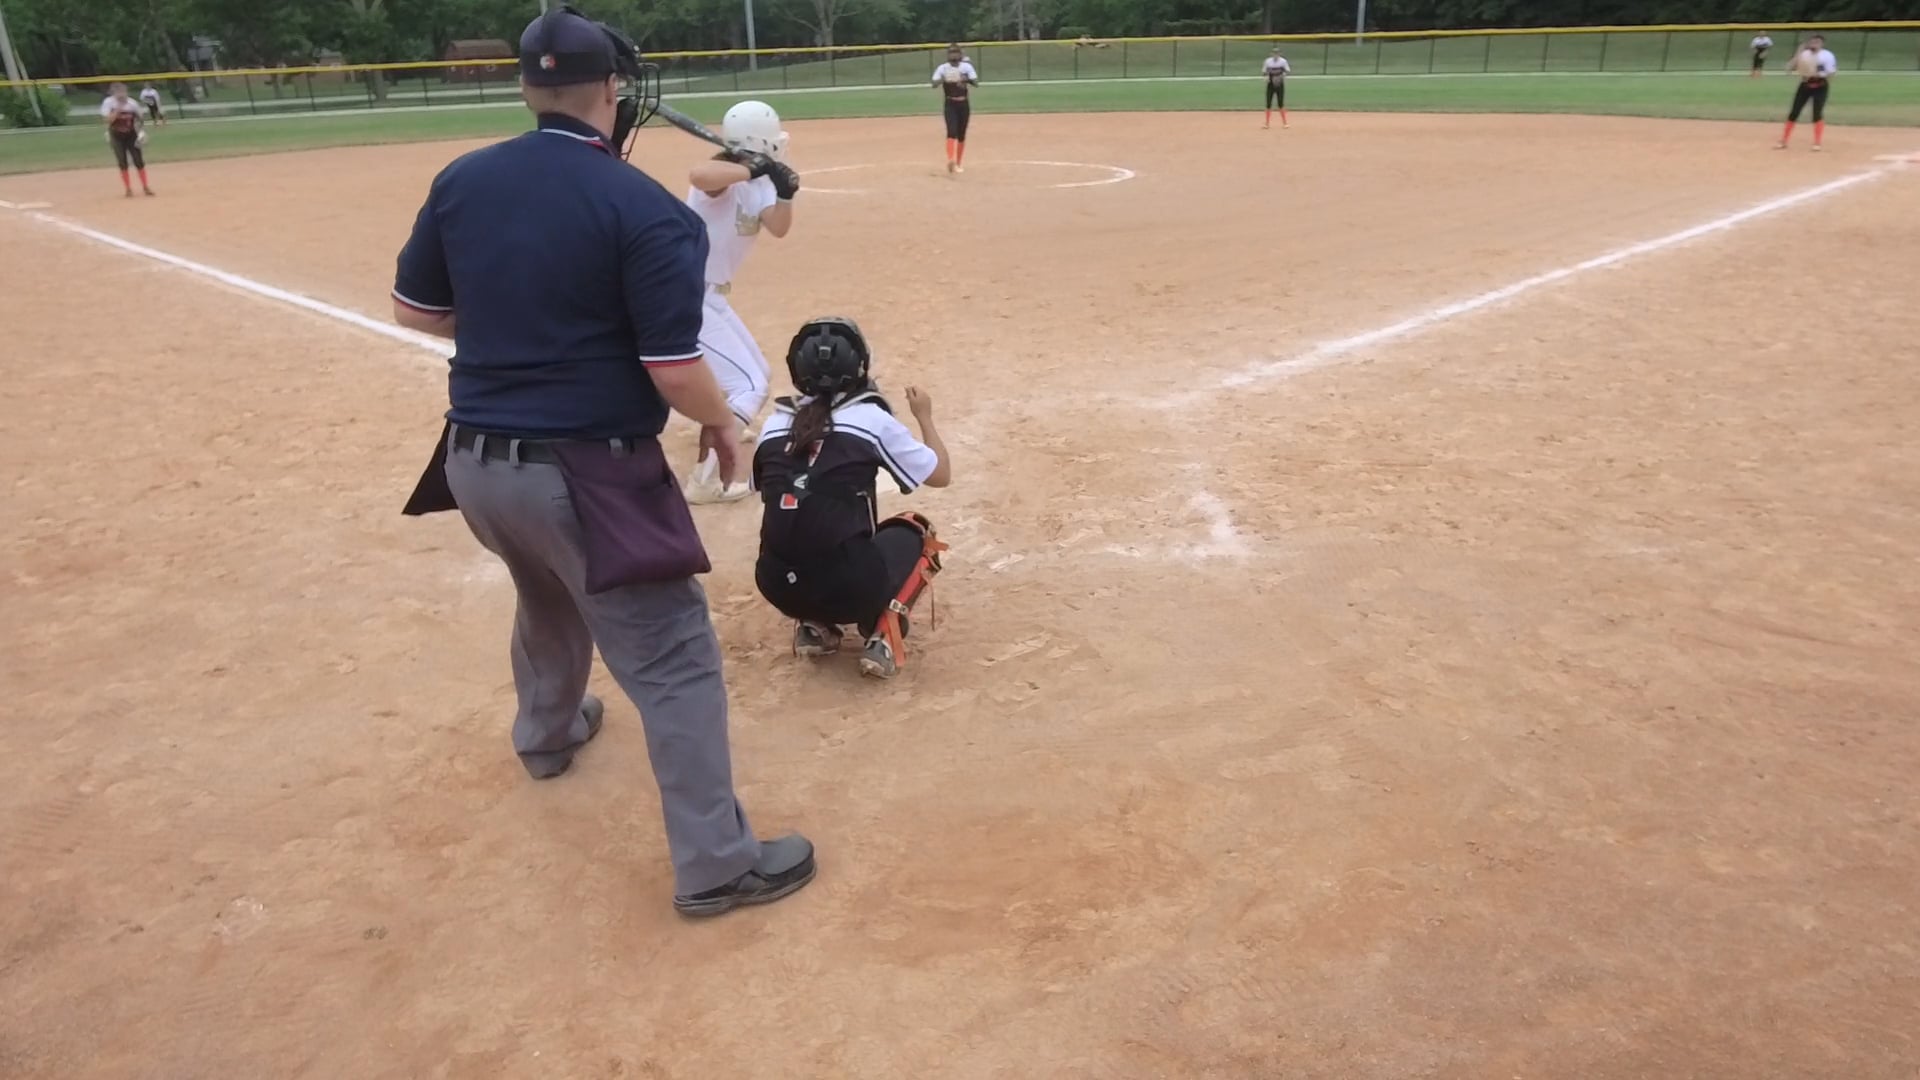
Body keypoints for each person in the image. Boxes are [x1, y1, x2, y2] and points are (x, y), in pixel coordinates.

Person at [390, 4, 814, 918]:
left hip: (472, 465)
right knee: (675, 657)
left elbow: (415, 311)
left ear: (526, 88)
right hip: (581, 473)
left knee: (546, 590)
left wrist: (515, 327)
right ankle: (717, 865)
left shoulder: (463, 178)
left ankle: (547, 733)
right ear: (613, 90)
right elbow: (673, 369)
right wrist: (724, 424)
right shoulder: (641, 206)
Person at [751, 318, 953, 680]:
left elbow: (775, 490)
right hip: (850, 589)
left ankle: (813, 625)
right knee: (917, 530)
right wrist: (924, 416)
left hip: (776, 584)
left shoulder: (773, 424)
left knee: (803, 518)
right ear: (860, 365)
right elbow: (940, 475)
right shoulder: (870, 419)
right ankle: (884, 632)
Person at [681, 100, 801, 505]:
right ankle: (704, 481)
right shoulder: (724, 175)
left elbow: (779, 227)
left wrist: (785, 192)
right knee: (750, 386)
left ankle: (729, 420)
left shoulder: (761, 182)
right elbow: (699, 175)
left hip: (712, 295)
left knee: (759, 373)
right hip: (685, 293)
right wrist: (754, 168)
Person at [1776, 35, 1837, 152]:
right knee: (1794, 112)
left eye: (1817, 42)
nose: (1814, 44)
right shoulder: (1804, 54)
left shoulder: (1827, 55)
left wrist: (1823, 77)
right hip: (1805, 84)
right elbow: (1789, 68)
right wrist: (1798, 52)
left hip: (1820, 86)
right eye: (1812, 42)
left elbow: (1831, 73)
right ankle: (1783, 141)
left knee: (1817, 113)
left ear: (1822, 44)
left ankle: (1817, 143)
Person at [930, 45, 979, 174]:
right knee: (951, 131)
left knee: (961, 134)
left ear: (960, 54)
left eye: (956, 52)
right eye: (951, 53)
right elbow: (933, 84)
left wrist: (965, 79)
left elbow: (976, 83)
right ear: (948, 55)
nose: (953, 55)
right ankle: (951, 159)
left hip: (963, 103)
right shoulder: (943, 68)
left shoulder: (966, 67)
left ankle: (958, 163)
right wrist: (944, 79)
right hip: (950, 103)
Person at [99, 83, 153, 198]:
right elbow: (107, 120)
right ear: (113, 93)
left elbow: (140, 118)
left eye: (124, 92)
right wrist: (118, 109)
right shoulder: (109, 103)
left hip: (131, 135)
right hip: (116, 135)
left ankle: (145, 187)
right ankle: (128, 189)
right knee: (122, 161)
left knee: (138, 160)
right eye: (119, 93)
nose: (122, 95)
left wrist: (141, 132)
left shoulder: (132, 103)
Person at [1262, 46, 1291, 130]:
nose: (1275, 55)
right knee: (1268, 103)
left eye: (1277, 53)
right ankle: (1267, 123)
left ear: (1279, 54)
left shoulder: (1283, 61)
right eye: (1274, 53)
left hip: (1280, 84)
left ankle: (1285, 123)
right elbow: (1264, 72)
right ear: (1271, 54)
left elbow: (1287, 71)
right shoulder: (1268, 61)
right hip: (1270, 84)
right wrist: (1266, 77)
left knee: (1280, 103)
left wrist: (1282, 76)